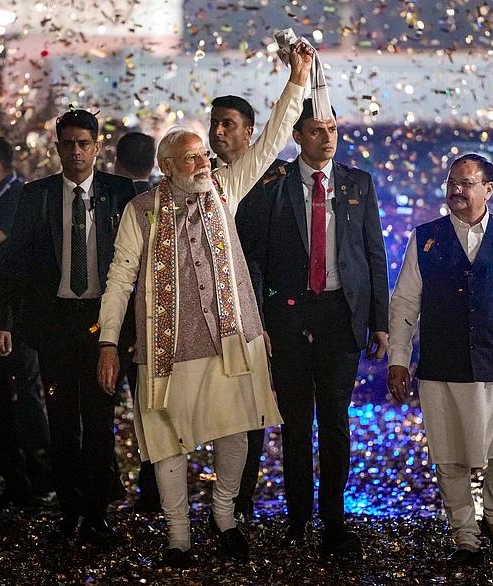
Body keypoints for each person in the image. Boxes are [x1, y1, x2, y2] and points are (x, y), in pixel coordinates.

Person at [96, 44, 312, 568]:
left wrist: (297, 79)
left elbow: (269, 142)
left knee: (236, 430)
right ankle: (177, 536)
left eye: (202, 156)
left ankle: (224, 516)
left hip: (229, 339)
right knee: (167, 443)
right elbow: (121, 277)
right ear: (166, 167)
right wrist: (107, 341)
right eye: (189, 158)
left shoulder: (225, 189)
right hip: (163, 345)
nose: (201, 162)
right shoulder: (141, 210)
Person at [387, 153, 493, 567]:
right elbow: (405, 302)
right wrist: (398, 358)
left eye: (466, 183)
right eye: (452, 183)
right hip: (444, 366)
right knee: (449, 457)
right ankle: (465, 536)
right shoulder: (424, 238)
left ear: (488, 189)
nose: (456, 191)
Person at [251, 99, 389, 557]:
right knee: (294, 424)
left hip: (339, 314)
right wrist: (259, 318)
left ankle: (333, 520)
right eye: (316, 130)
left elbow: (374, 255)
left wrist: (380, 323)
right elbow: (257, 256)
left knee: (335, 422)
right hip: (289, 317)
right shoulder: (275, 183)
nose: (326, 138)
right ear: (297, 136)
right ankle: (296, 520)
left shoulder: (358, 184)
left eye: (332, 129)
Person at [0, 110, 136, 544]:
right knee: (60, 420)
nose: (75, 151)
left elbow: (139, 259)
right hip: (54, 320)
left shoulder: (119, 191)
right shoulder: (37, 195)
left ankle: (95, 512)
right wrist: (3, 320)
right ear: (57, 147)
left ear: (97, 147)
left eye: (83, 144)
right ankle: (70, 511)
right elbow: (13, 263)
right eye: (68, 144)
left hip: (103, 321)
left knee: (97, 418)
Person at [208, 94, 286, 523]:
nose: (218, 132)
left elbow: (274, 256)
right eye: (214, 123)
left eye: (228, 124)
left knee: (250, 408)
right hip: (210, 312)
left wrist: (265, 317)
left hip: (260, 308)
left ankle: (239, 500)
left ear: (249, 131)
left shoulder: (272, 181)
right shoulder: (201, 178)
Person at [0, 136, 52, 507]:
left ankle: (43, 478)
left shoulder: (19, 196)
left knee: (27, 398)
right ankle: (15, 481)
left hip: (18, 316)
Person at [113, 131, 161, 512]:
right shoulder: (164, 200)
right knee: (152, 407)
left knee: (97, 408)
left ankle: (107, 482)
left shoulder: (110, 196)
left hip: (113, 319)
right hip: (153, 319)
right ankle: (153, 488)